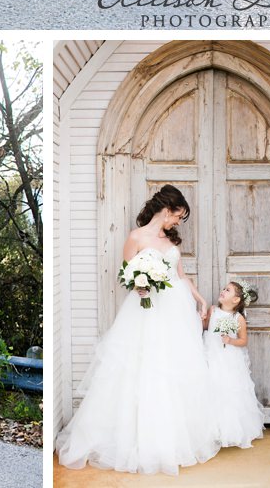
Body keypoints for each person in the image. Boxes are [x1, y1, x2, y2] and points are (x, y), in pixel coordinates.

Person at [55, 184, 219, 474]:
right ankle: (140, 441)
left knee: (174, 369)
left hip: (175, 311)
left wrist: (200, 298)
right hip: (146, 311)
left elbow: (180, 276)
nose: (177, 222)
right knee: (142, 369)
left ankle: (173, 441)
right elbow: (128, 274)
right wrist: (140, 286)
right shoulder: (136, 237)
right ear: (167, 210)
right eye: (177, 216)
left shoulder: (171, 241)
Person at [203, 281, 265, 449]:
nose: (223, 291)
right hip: (211, 355)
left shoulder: (238, 318)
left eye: (227, 290)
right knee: (210, 388)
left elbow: (243, 341)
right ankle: (212, 432)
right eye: (224, 288)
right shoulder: (213, 310)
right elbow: (206, 327)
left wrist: (229, 340)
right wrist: (201, 317)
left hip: (229, 360)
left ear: (236, 300)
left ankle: (229, 432)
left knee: (228, 391)